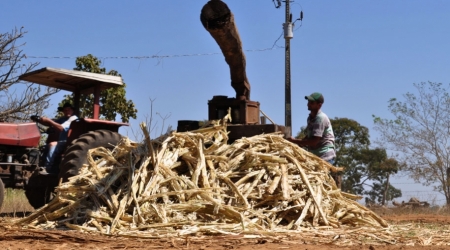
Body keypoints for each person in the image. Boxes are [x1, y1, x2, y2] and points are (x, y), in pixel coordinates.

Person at [286, 92, 341, 188]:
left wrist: (295, 141)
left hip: (325, 155)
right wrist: (296, 144)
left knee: (321, 184)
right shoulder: (311, 118)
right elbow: (309, 137)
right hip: (316, 154)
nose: (308, 104)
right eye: (308, 102)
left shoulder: (320, 118)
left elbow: (314, 141)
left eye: (311, 102)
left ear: (319, 105)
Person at [31, 103, 78, 175]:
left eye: (68, 110)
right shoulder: (63, 119)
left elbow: (61, 128)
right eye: (65, 110)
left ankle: (48, 168)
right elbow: (50, 123)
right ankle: (39, 165)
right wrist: (39, 120)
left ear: (72, 111)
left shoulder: (73, 118)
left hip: (69, 142)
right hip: (62, 142)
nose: (67, 111)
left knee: (52, 144)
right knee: (43, 148)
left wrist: (48, 120)